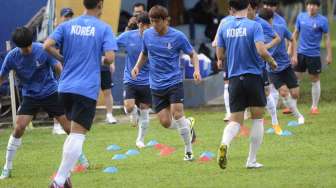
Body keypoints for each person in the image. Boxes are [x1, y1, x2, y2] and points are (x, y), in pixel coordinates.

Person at [43, 0, 118, 187]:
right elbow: (110, 58)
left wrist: (62, 58)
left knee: (72, 134)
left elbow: (47, 45)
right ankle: (58, 181)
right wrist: (97, 58)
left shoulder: (67, 25)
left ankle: (65, 177)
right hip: (86, 88)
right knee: (77, 134)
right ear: (100, 4)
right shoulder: (103, 28)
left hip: (65, 87)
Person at [0, 27, 71, 180]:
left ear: (31, 42)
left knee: (69, 129)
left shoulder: (43, 49)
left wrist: (65, 86)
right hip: (30, 95)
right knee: (18, 128)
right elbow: (2, 76)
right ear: (17, 46)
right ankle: (7, 167)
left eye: (29, 45)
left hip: (51, 92)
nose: (27, 49)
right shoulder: (12, 57)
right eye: (23, 47)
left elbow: (58, 68)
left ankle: (80, 159)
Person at [132, 5, 201, 161]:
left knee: (177, 114)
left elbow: (193, 54)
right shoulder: (147, 35)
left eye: (157, 21)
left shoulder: (178, 36)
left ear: (165, 20)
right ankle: (187, 124)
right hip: (156, 84)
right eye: (152, 21)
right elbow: (144, 54)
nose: (154, 25)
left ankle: (188, 151)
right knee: (164, 122)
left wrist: (196, 70)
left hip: (174, 82)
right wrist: (137, 67)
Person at [216, 0, 277, 169]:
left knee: (235, 121)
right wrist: (272, 62)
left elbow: (219, 54)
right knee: (257, 119)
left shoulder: (224, 26)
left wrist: (221, 59)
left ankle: (225, 144)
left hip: (234, 79)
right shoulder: (254, 26)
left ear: (231, 9)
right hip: (253, 77)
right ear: (248, 7)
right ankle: (251, 160)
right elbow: (261, 50)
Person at [259, 8, 304, 129]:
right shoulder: (258, 32)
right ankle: (298, 116)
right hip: (272, 68)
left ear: (271, 20)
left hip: (286, 65)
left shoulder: (280, 27)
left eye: (266, 21)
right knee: (283, 92)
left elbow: (292, 39)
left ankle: (293, 110)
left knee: (295, 93)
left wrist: (294, 55)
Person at [248, 0, 285, 135]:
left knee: (267, 93)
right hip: (243, 65)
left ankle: (275, 123)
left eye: (248, 9)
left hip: (258, 65)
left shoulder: (261, 22)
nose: (245, 12)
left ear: (254, 9)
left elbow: (277, 38)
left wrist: (265, 48)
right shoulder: (238, 21)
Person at [117, 12, 151, 148]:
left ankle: (140, 140)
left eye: (150, 25)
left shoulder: (155, 37)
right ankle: (133, 114)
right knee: (129, 107)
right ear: (139, 25)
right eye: (145, 26)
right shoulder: (128, 36)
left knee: (145, 110)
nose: (147, 29)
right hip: (130, 78)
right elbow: (111, 44)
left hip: (148, 80)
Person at [293, 0, 332, 114]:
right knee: (295, 79)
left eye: (314, 5)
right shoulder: (301, 16)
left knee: (315, 79)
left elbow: (327, 38)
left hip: (314, 55)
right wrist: (291, 48)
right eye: (310, 4)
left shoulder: (323, 20)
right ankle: (292, 106)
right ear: (307, 6)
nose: (311, 7)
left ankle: (314, 107)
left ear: (318, 7)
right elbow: (295, 33)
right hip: (300, 53)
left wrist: (329, 55)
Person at [52, 7, 75, 135]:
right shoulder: (58, 32)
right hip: (59, 69)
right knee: (59, 97)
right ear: (60, 18)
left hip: (71, 70)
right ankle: (56, 126)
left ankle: (67, 123)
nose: (68, 19)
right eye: (66, 16)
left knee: (69, 96)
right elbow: (50, 49)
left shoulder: (72, 32)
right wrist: (61, 60)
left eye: (70, 16)